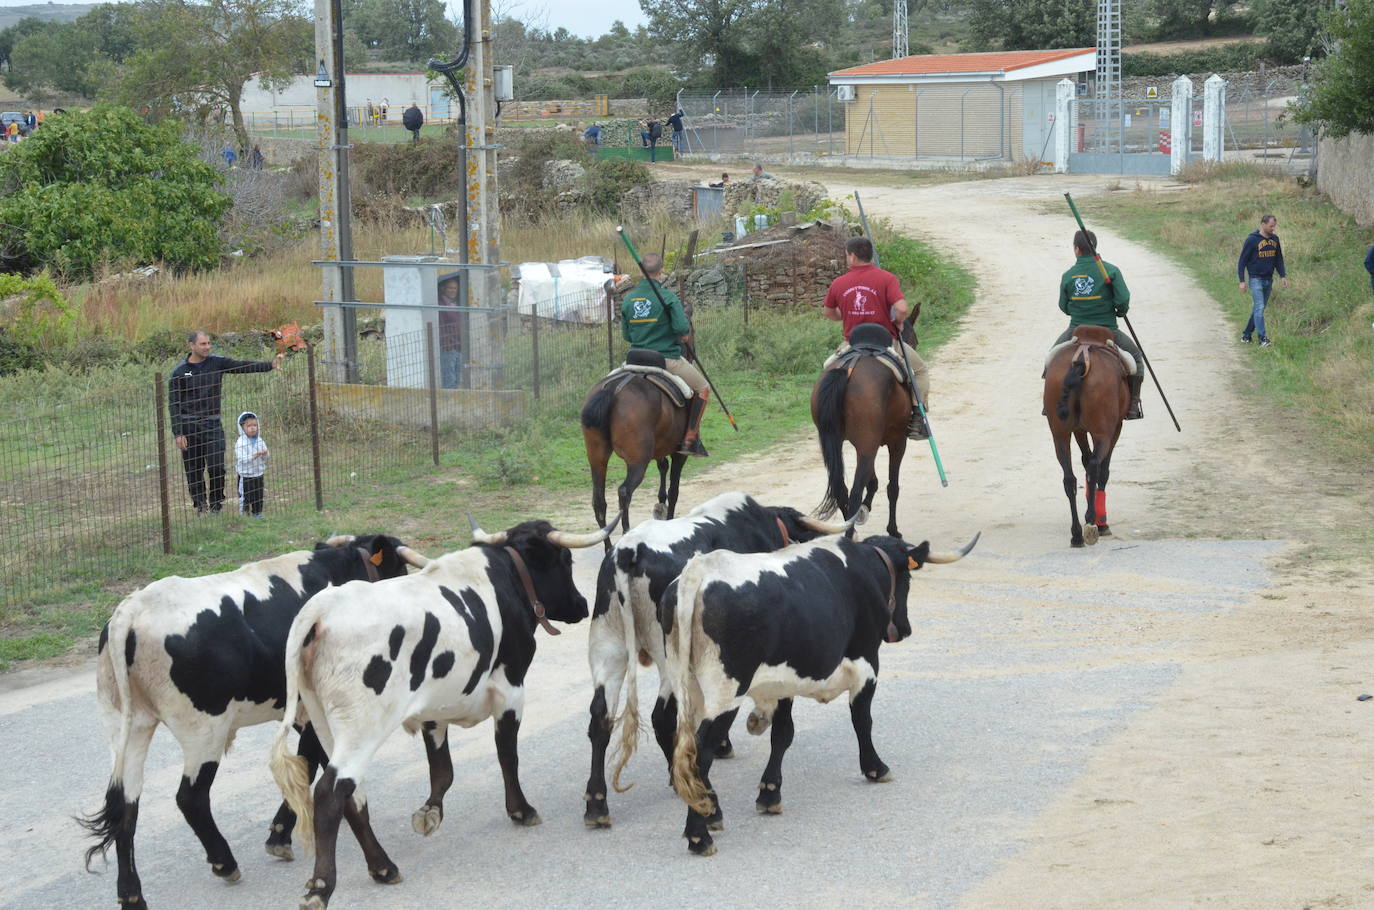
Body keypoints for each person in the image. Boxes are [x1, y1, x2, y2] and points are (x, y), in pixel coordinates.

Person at [823, 236, 930, 439]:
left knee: (827, 368)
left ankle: (829, 416)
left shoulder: (839, 283)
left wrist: (845, 315)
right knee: (921, 370)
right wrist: (898, 321)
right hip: (886, 342)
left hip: (851, 343)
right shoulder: (886, 278)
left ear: (852, 256)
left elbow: (829, 313)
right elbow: (902, 308)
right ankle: (917, 418)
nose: (847, 258)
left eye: (847, 255)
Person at [170, 331, 284, 513]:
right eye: (203, 344)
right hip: (189, 426)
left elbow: (242, 366)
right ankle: (200, 505)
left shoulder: (217, 363)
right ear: (191, 345)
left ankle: (216, 504)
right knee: (194, 469)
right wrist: (178, 433)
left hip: (212, 425)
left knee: (216, 467)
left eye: (208, 343)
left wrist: (269, 365)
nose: (207, 347)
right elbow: (174, 405)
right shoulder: (179, 372)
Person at [621, 253, 710, 456]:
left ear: (641, 272)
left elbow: (627, 335)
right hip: (665, 359)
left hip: (633, 358)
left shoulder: (628, 300)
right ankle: (690, 437)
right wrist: (684, 336)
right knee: (703, 388)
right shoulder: (667, 297)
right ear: (661, 272)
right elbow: (682, 329)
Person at [1052, 229, 1144, 420]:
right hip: (1107, 330)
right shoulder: (1110, 270)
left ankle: (1050, 404)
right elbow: (1123, 299)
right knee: (1136, 359)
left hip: (1076, 331)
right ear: (1095, 247)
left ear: (1076, 250)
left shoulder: (1068, 275)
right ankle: (1134, 405)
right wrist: (1121, 310)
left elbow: (1064, 306)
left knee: (1050, 362)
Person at [1237, 214, 1287, 347]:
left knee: (1258, 309)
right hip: (1256, 279)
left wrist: (1283, 276)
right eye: (1271, 226)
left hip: (1268, 280)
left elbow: (1278, 259)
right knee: (1259, 307)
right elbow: (1242, 261)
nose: (1273, 229)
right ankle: (1262, 339)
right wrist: (1242, 280)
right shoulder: (1252, 240)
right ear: (1263, 224)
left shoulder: (1275, 240)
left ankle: (1246, 335)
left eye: (1274, 226)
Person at [234, 411, 269, 517]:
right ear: (242, 427)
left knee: (258, 494)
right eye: (249, 426)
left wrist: (264, 454)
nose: (252, 428)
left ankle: (257, 512)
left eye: (254, 425)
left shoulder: (260, 440)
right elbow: (242, 458)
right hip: (246, 475)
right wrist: (255, 455)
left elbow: (266, 455)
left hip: (258, 473)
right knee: (246, 495)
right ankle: (244, 513)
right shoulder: (240, 442)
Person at [437, 275, 466, 389]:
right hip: (448, 348)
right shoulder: (440, 305)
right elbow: (440, 325)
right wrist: (446, 343)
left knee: (457, 380)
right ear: (444, 289)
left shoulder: (457, 304)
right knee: (450, 381)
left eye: (455, 288)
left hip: (459, 346)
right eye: (450, 288)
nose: (453, 290)